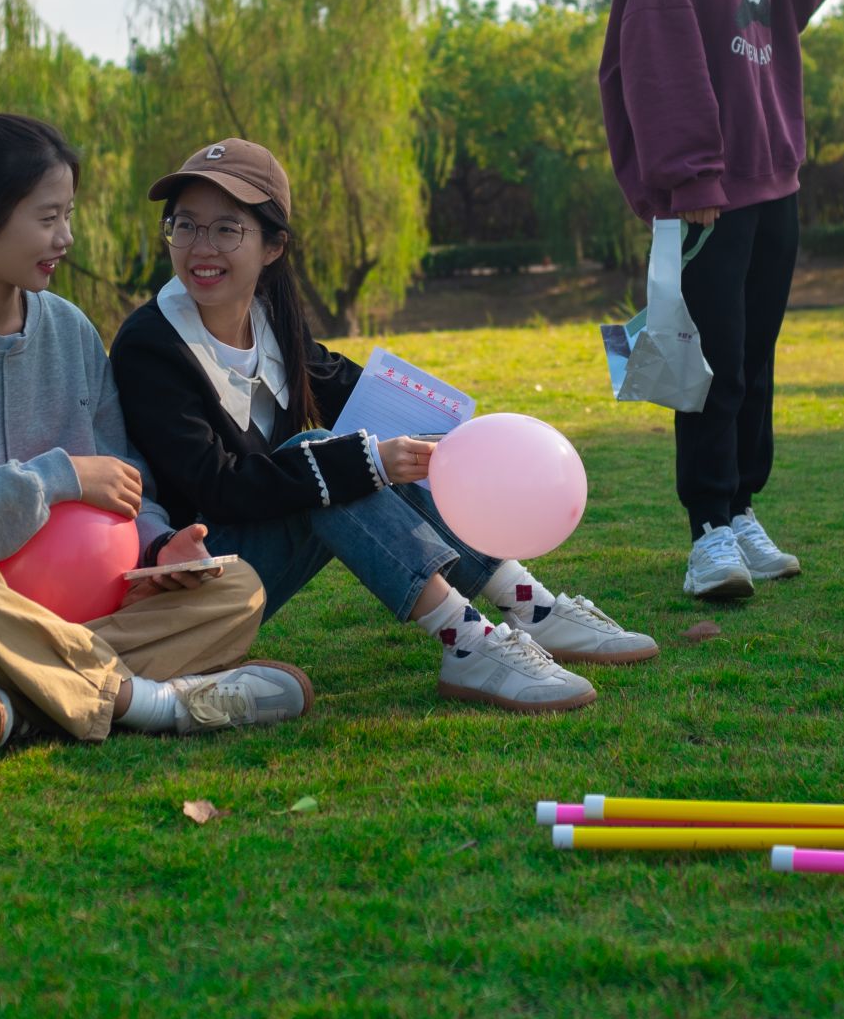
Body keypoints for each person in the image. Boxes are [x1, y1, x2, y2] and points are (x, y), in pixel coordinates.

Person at [0, 111, 308, 756]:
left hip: (80, 603)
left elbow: (126, 474)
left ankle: (11, 700)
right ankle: (152, 703)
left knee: (238, 589)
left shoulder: (70, 330)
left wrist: (159, 547)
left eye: (68, 215)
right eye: (48, 218)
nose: (66, 237)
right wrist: (61, 476)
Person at [109, 140, 655, 715]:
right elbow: (217, 486)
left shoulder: (269, 317)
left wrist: (451, 437)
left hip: (248, 560)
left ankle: (529, 605)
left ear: (273, 246)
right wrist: (367, 460)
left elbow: (348, 388)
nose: (201, 247)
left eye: (226, 229)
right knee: (330, 456)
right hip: (194, 583)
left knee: (357, 453)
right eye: (185, 225)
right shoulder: (151, 344)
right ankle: (466, 642)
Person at [598, 0, 842, 600]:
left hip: (773, 185)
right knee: (709, 365)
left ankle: (740, 510)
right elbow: (656, 54)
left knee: (754, 361)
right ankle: (707, 532)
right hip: (708, 189)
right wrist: (690, 171)